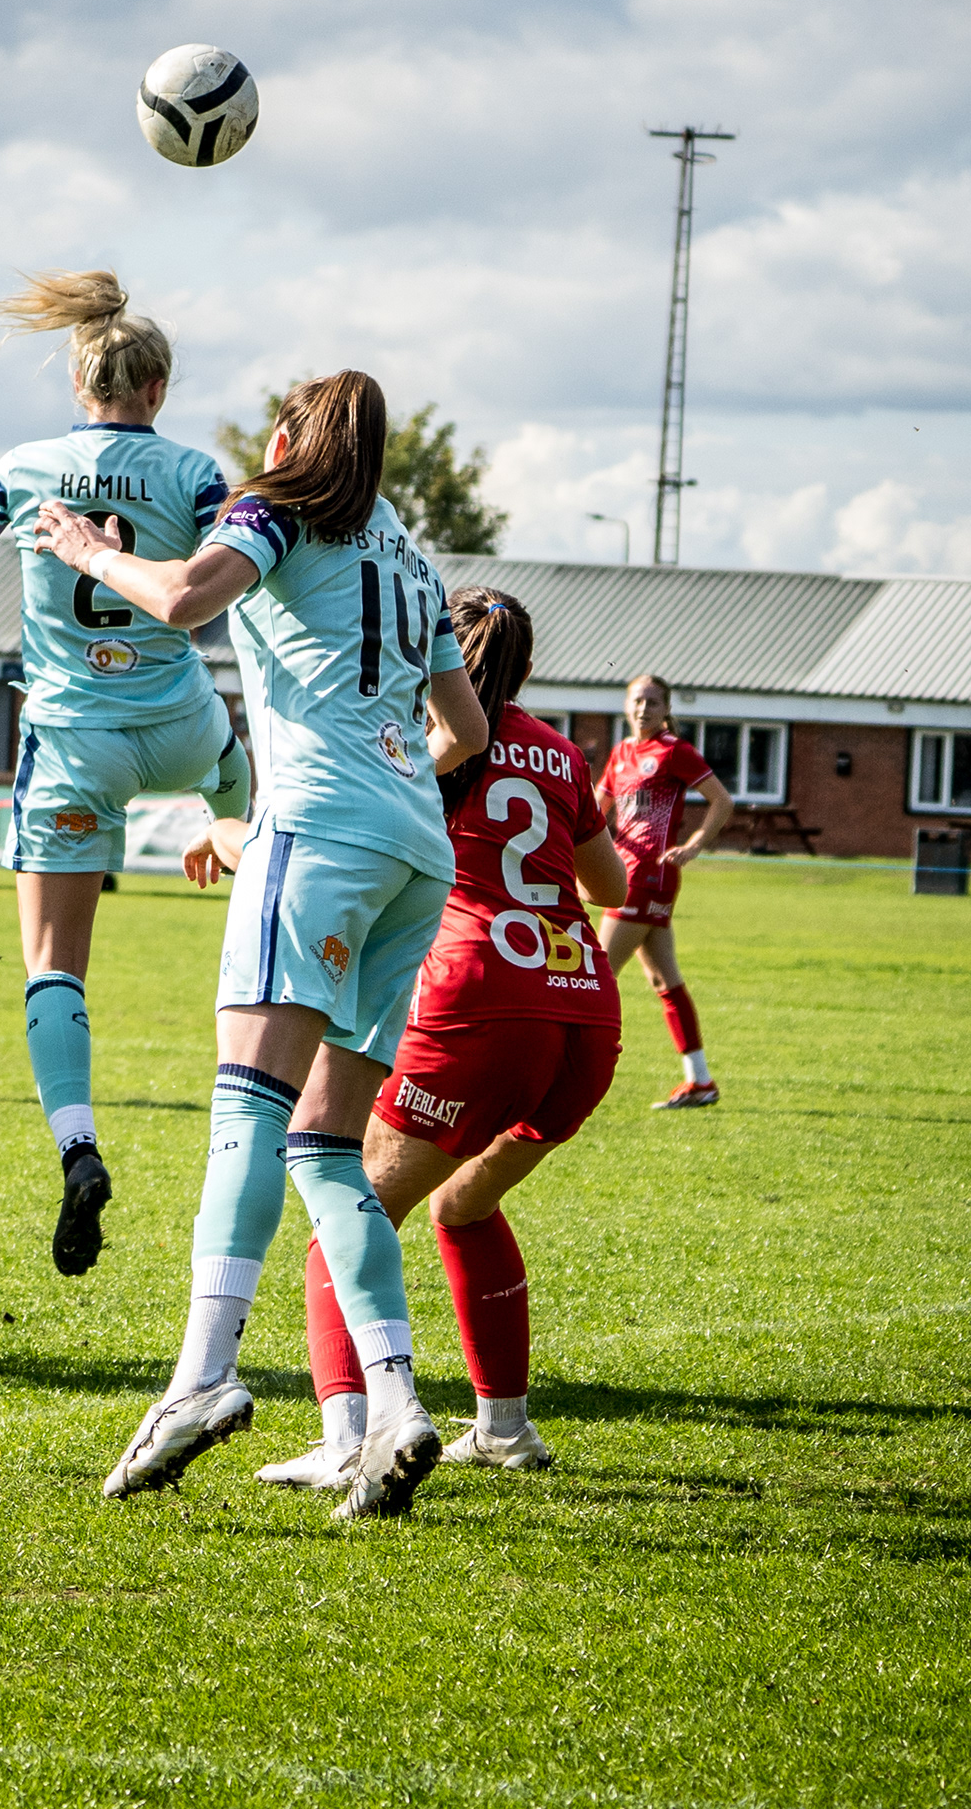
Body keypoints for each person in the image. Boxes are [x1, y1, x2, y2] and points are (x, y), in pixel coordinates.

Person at [37, 370, 488, 1519]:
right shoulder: (410, 552)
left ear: (290, 436)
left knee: (248, 1108)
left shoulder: (277, 503)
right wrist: (385, 786)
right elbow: (466, 728)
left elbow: (186, 599)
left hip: (322, 832)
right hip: (416, 851)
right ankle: (394, 1404)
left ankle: (201, 1379)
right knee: (326, 1148)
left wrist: (88, 549)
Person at [0, 271, 250, 1278]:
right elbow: (241, 577)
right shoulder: (198, 474)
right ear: (158, 386)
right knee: (252, 810)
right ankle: (239, 857)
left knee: (53, 965)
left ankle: (79, 1149)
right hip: (179, 726)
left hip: (74, 741)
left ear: (81, 382)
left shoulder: (24, 467)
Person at [233, 587, 625, 1491]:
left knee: (345, 1213)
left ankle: (347, 1442)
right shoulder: (563, 753)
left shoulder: (421, 737)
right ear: (526, 668)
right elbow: (607, 884)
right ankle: (504, 1431)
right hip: (582, 1010)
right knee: (464, 1206)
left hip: (476, 1000)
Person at [595, 674, 734, 1108]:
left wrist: (693, 846)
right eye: (637, 701)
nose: (643, 709)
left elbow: (722, 800)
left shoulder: (673, 751)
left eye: (653, 702)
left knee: (594, 976)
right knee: (664, 980)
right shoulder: (620, 754)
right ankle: (701, 1081)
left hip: (646, 876)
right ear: (626, 705)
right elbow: (596, 812)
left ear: (665, 707)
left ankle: (563, 1075)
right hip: (628, 872)